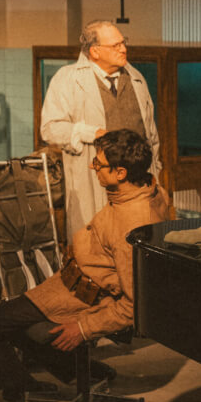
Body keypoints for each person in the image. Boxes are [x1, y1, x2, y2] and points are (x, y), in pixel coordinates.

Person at [0, 129, 170, 402]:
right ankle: (83, 371)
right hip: (70, 284)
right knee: (16, 320)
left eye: (98, 164)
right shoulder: (151, 190)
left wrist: (83, 328)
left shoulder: (129, 226)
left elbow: (135, 304)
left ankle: (24, 388)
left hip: (81, 297)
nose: (91, 166)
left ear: (121, 173)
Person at [41, 20, 162, 244]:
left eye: (123, 43)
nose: (123, 49)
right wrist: (88, 132)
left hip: (138, 192)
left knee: (140, 250)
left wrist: (157, 172)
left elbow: (151, 137)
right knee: (98, 250)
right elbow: (50, 129)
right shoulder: (67, 80)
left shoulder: (137, 79)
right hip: (96, 185)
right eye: (115, 45)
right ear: (95, 51)